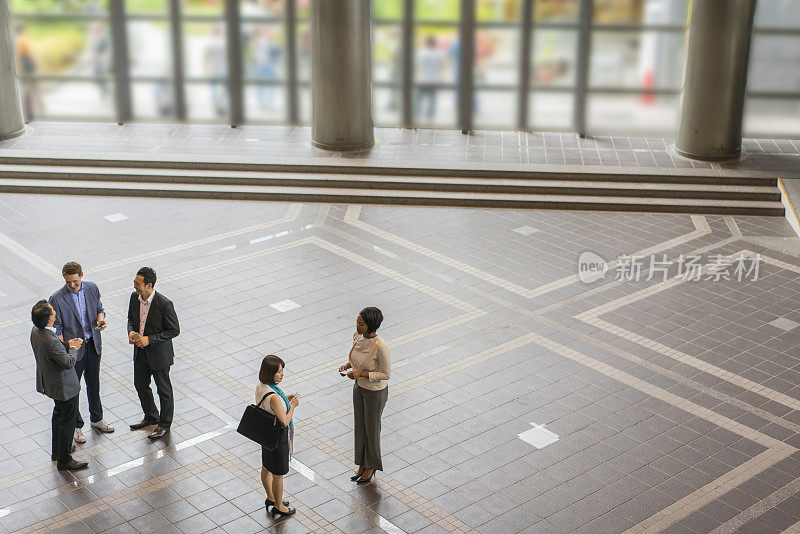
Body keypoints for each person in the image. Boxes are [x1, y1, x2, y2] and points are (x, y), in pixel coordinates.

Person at [49, 262, 114, 445]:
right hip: (73, 350)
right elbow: (57, 328)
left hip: (92, 344)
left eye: (75, 281)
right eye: (68, 282)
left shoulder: (92, 288)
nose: (72, 285)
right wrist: (67, 344)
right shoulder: (57, 299)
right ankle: (76, 425)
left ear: (81, 275)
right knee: (73, 389)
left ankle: (97, 418)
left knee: (94, 384)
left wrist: (101, 320)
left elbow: (100, 309)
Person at [30, 300, 88, 471]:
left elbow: (52, 353)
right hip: (65, 388)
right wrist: (73, 347)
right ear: (49, 318)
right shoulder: (51, 340)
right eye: (53, 311)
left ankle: (57, 451)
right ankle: (65, 460)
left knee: (58, 416)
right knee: (67, 422)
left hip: (51, 384)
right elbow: (69, 362)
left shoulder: (36, 332)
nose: (55, 312)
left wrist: (65, 345)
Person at [127, 267, 180, 440]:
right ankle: (151, 415)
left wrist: (149, 339)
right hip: (140, 352)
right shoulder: (134, 299)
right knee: (140, 384)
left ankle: (164, 424)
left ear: (149, 285)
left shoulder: (164, 304)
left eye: (138, 284)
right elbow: (131, 320)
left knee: (163, 390)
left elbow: (174, 330)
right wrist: (131, 332)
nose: (135, 287)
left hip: (159, 354)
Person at [339, 307, 390, 485]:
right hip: (359, 387)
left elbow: (385, 374)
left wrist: (361, 374)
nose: (357, 326)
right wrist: (347, 366)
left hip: (375, 392)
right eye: (357, 322)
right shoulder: (358, 337)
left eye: (361, 324)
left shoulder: (381, 346)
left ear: (372, 325)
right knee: (360, 426)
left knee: (372, 428)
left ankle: (371, 465)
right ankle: (361, 463)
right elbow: (357, 358)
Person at [256, 355, 298, 519]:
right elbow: (285, 421)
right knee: (278, 475)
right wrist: (292, 406)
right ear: (270, 372)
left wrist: (284, 400)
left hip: (265, 434)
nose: (282, 375)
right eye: (279, 372)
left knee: (266, 467)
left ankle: (271, 497)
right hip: (277, 437)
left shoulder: (262, 385)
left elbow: (272, 405)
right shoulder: (273, 396)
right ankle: (279, 506)